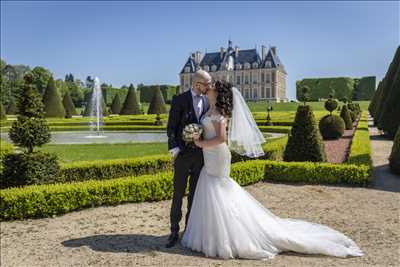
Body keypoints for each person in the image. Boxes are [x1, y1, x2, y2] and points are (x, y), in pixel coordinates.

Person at [181, 80, 364, 260]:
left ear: (218, 93)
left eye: (211, 86)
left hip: (218, 155)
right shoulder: (209, 109)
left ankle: (227, 236)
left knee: (218, 189)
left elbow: (222, 139)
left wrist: (199, 142)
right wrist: (197, 134)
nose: (208, 88)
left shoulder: (220, 113)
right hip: (209, 155)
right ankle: (213, 234)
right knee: (212, 188)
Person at [165, 70, 211, 248]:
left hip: (201, 156)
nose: (209, 87)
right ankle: (173, 231)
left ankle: (188, 230)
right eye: (207, 84)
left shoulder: (208, 100)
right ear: (197, 83)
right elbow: (171, 127)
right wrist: (175, 149)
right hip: (183, 155)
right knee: (178, 194)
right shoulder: (179, 99)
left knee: (194, 195)